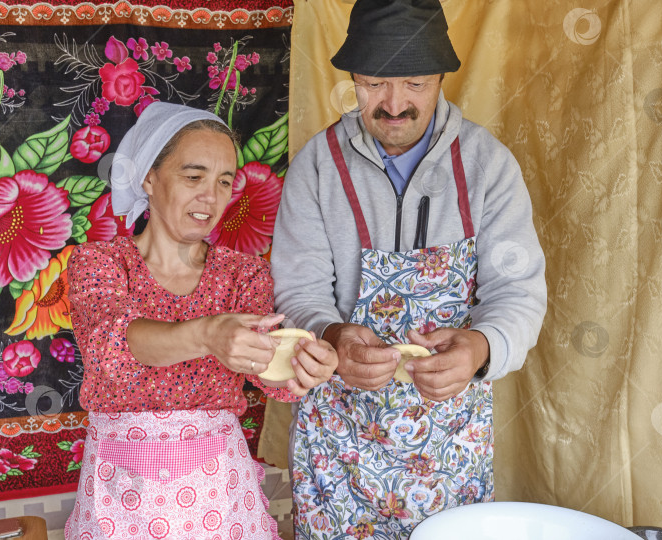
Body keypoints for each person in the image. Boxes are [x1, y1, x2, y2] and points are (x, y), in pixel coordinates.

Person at [270, 0, 548, 537]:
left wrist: (481, 347)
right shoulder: (317, 166)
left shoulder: (489, 167)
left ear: (442, 76)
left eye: (415, 84)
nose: (394, 105)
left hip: (449, 441)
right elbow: (299, 287)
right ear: (354, 77)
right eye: (375, 84)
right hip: (338, 444)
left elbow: (518, 292)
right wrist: (333, 335)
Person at [64, 102, 338, 539]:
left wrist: (301, 363)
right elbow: (111, 344)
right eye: (194, 177)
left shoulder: (243, 274)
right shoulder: (99, 263)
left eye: (223, 181)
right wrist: (210, 334)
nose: (210, 197)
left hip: (219, 496)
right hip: (121, 498)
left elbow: (268, 371)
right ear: (149, 178)